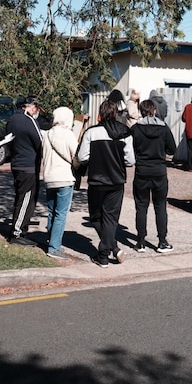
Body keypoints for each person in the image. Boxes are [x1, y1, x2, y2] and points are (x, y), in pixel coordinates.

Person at [77, 99, 135, 267]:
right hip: (116, 180)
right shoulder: (125, 132)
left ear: (100, 115)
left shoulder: (91, 132)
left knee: (96, 216)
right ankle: (111, 249)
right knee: (110, 218)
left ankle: (103, 254)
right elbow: (130, 160)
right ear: (116, 113)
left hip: (97, 180)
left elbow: (82, 157)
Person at [131, 99, 177, 252]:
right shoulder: (163, 128)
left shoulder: (136, 129)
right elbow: (172, 149)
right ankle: (162, 241)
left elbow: (131, 148)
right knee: (160, 206)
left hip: (142, 170)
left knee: (141, 207)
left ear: (141, 111)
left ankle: (141, 241)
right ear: (155, 110)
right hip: (159, 170)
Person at [41, 106, 79, 259]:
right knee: (61, 213)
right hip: (64, 177)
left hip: (49, 177)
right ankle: (54, 247)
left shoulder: (47, 134)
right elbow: (76, 156)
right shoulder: (69, 135)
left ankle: (51, 239)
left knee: (52, 211)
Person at [6, 95, 44, 246]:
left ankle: (20, 229)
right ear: (29, 106)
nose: (36, 111)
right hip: (28, 165)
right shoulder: (29, 120)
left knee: (20, 198)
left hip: (16, 163)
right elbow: (40, 141)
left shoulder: (11, 120)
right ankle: (17, 232)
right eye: (35, 107)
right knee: (26, 200)